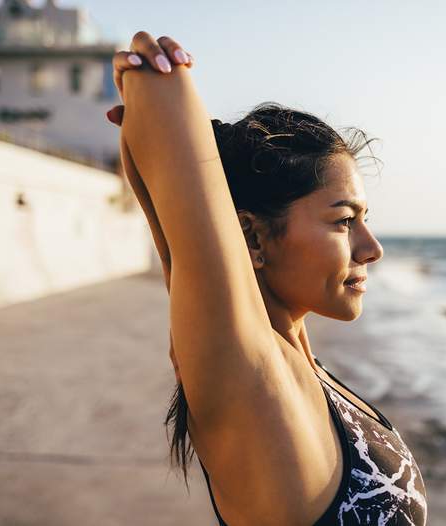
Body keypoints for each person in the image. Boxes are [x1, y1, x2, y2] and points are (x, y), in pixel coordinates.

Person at [106, 31, 428, 525]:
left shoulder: (291, 364)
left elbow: (170, 232)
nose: (372, 248)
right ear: (252, 238)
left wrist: (141, 131)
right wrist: (155, 74)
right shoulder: (249, 376)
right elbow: (162, 100)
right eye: (344, 221)